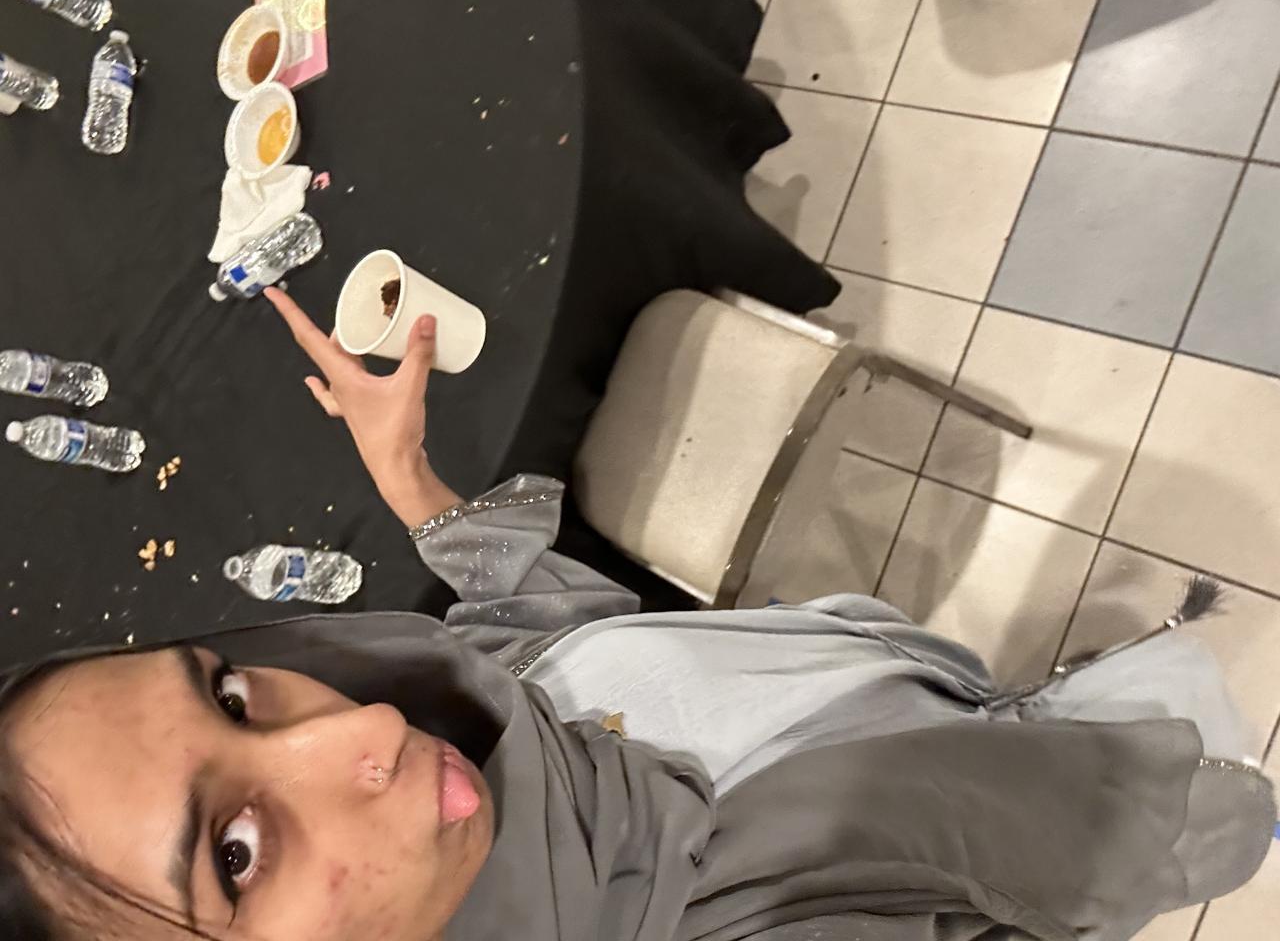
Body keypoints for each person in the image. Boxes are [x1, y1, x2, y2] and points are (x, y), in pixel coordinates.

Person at [0, 287, 1273, 941]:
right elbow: (1046, 865)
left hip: (926, 693)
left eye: (232, 693)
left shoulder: (470, 758)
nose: (364, 729)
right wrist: (1132, 798)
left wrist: (409, 481)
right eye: (233, 854)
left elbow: (549, 649)